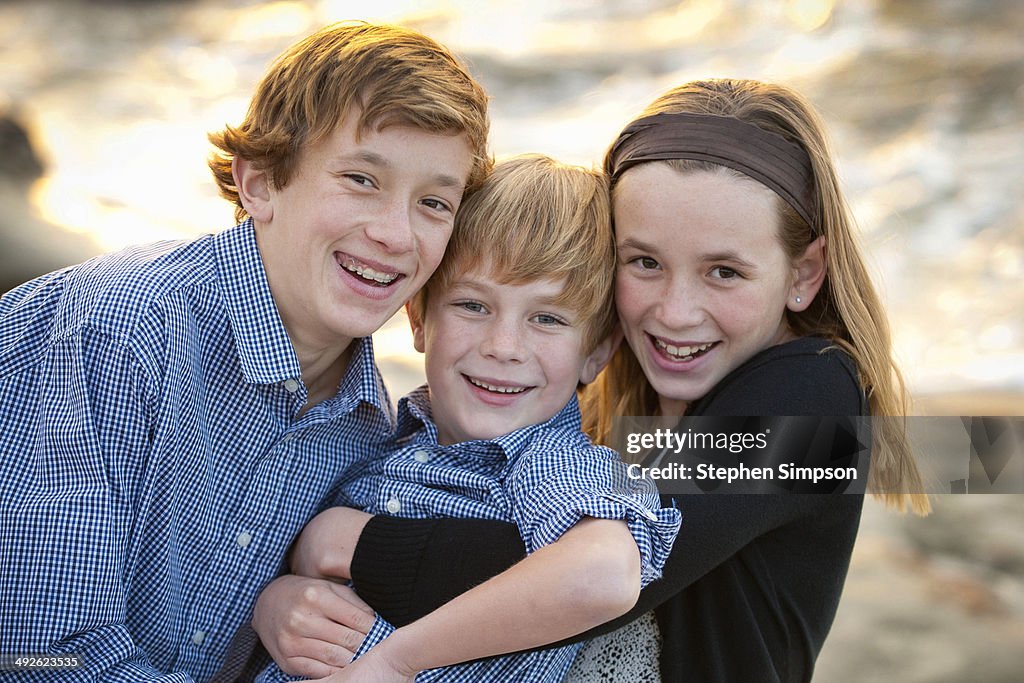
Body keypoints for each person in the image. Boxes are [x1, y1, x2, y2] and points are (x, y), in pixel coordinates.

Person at [261, 78, 931, 683]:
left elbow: (592, 574)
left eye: (724, 271)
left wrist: (341, 542)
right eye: (643, 261)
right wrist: (280, 601)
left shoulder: (817, 399)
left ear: (805, 273)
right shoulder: (614, 416)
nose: (673, 310)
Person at [0, 22, 489, 682]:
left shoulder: (372, 423)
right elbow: (39, 655)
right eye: (360, 179)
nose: (396, 234)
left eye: (434, 201)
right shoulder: (120, 334)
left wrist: (276, 605)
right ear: (259, 184)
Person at [253, 154, 681, 682]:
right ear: (418, 319)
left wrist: (396, 661)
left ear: (595, 353)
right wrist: (272, 601)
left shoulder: (562, 463)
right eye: (472, 306)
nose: (503, 347)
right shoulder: (375, 437)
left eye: (546, 319)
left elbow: (607, 576)